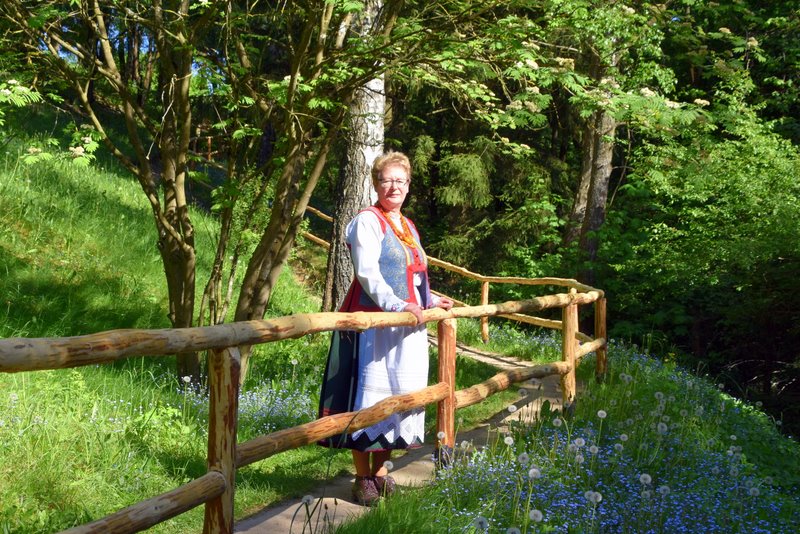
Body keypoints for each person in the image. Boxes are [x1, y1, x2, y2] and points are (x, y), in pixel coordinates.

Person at [318, 151, 454, 506]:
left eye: (400, 181)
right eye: (387, 180)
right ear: (376, 185)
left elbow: (413, 276)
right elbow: (368, 274)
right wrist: (396, 306)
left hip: (406, 325)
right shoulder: (367, 221)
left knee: (398, 394)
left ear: (408, 186)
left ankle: (381, 471)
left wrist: (430, 299)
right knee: (369, 398)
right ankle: (362, 476)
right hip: (374, 323)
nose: (394, 187)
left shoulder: (407, 226)